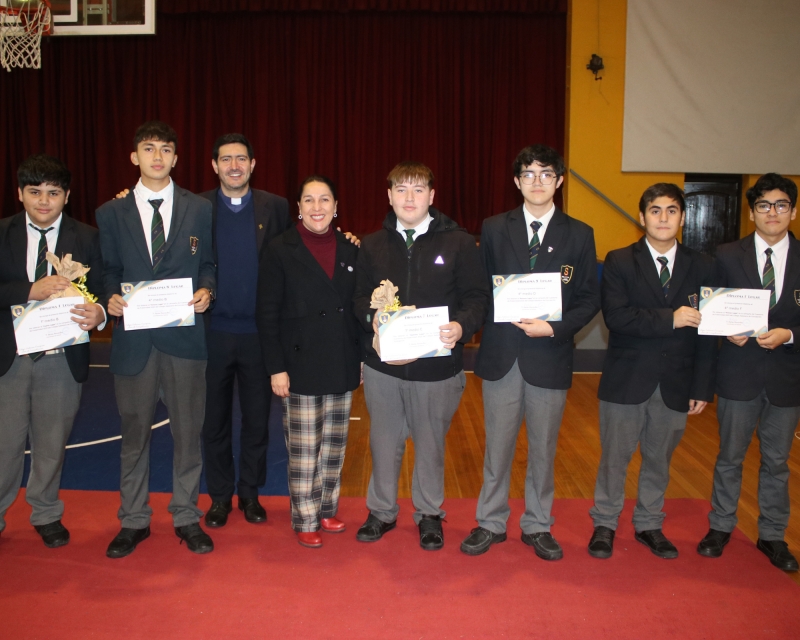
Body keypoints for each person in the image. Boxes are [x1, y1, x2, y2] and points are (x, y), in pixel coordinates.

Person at [461, 144, 600, 559]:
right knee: (497, 447)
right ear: (517, 182)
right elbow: (480, 288)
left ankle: (538, 524)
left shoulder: (580, 233)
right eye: (528, 174)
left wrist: (553, 327)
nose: (537, 182)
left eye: (545, 174)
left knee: (543, 448)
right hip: (502, 355)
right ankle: (490, 521)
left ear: (559, 180)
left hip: (550, 355)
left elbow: (590, 299)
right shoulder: (492, 227)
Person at [353, 161, 490, 551]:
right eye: (401, 189)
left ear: (432, 196)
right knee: (383, 441)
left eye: (417, 190)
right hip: (384, 368)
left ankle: (429, 514)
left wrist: (462, 326)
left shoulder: (460, 243)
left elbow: (477, 298)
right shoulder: (372, 244)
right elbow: (358, 299)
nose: (409, 197)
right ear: (389, 196)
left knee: (430, 444)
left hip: (437, 368)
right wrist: (371, 316)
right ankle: (381, 511)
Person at [96, 121, 216, 558]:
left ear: (176, 158)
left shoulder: (199, 208)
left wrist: (207, 290)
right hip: (134, 343)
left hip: (185, 342)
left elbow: (209, 263)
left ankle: (186, 516)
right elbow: (108, 269)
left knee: (188, 434)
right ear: (135, 157)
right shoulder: (111, 213)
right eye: (149, 149)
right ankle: (133, 520)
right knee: (134, 438)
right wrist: (109, 296)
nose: (158, 156)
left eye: (166, 149)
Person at [586, 183, 716, 560]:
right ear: (642, 217)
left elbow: (708, 332)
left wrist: (703, 386)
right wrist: (670, 319)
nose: (663, 218)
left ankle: (649, 524)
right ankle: (605, 523)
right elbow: (617, 317)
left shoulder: (703, 264)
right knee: (615, 457)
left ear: (683, 217)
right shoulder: (619, 260)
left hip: (678, 380)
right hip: (627, 378)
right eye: (655, 211)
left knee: (659, 459)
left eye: (671, 210)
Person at [0, 154, 106, 548]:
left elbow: (104, 292)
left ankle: (45, 512)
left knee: (51, 442)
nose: (44, 201)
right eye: (35, 192)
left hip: (61, 359)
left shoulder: (89, 237)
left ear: (67, 196)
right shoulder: (2, 233)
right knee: (4, 444)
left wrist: (98, 314)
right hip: (9, 359)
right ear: (20, 194)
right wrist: (29, 290)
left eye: (53, 193)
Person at [698, 173, 800, 572]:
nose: (772, 213)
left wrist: (790, 333)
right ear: (752, 211)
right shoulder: (725, 255)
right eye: (763, 205)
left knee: (777, 461)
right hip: (738, 372)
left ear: (793, 211)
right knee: (729, 456)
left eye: (780, 205)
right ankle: (720, 526)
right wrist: (726, 329)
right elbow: (710, 313)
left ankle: (773, 535)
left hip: (786, 377)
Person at [256, 175, 361, 548]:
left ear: (336, 207)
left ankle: (327, 509)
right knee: (303, 450)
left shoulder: (352, 250)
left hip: (341, 360)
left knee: (334, 446)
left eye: (325, 200)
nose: (317, 207)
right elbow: (266, 314)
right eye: (309, 200)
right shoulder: (279, 249)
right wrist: (275, 367)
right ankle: (305, 518)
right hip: (297, 366)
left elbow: (357, 310)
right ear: (298, 207)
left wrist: (361, 357)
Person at [199, 134, 290, 528]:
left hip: (259, 336)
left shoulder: (278, 207)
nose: (234, 165)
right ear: (214, 165)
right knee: (213, 422)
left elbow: (303, 242)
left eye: (241, 159)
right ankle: (219, 497)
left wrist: (343, 233)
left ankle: (250, 494)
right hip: (211, 334)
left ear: (253, 164)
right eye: (226, 159)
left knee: (257, 421)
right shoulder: (195, 207)